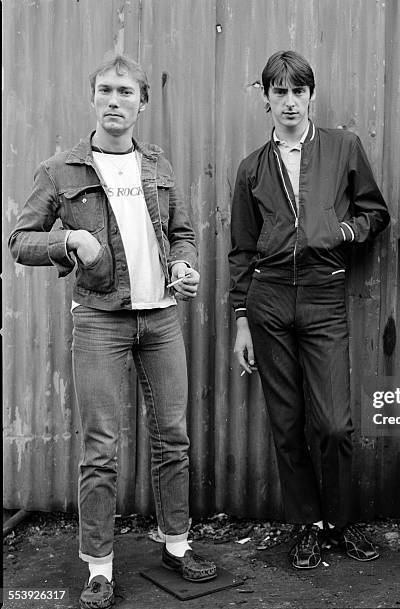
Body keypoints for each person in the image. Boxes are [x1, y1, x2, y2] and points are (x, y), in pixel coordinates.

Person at [9, 54, 216, 609]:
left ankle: (177, 543)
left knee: (173, 437)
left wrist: (186, 264)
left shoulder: (158, 165)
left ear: (142, 103)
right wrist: (68, 242)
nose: (114, 100)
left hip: (162, 316)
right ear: (93, 98)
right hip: (100, 318)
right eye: (105, 90)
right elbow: (19, 240)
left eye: (126, 92)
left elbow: (182, 231)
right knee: (101, 446)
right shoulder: (61, 171)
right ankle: (98, 568)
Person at [229, 50, 389, 569]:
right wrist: (241, 320)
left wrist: (343, 232)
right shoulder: (251, 167)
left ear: (311, 95)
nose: (290, 101)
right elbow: (241, 249)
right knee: (286, 421)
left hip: (323, 293)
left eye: (298, 91)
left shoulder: (343, 147)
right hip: (269, 297)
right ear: (266, 98)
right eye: (279, 92)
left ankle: (341, 523)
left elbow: (375, 213)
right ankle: (306, 525)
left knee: (334, 424)